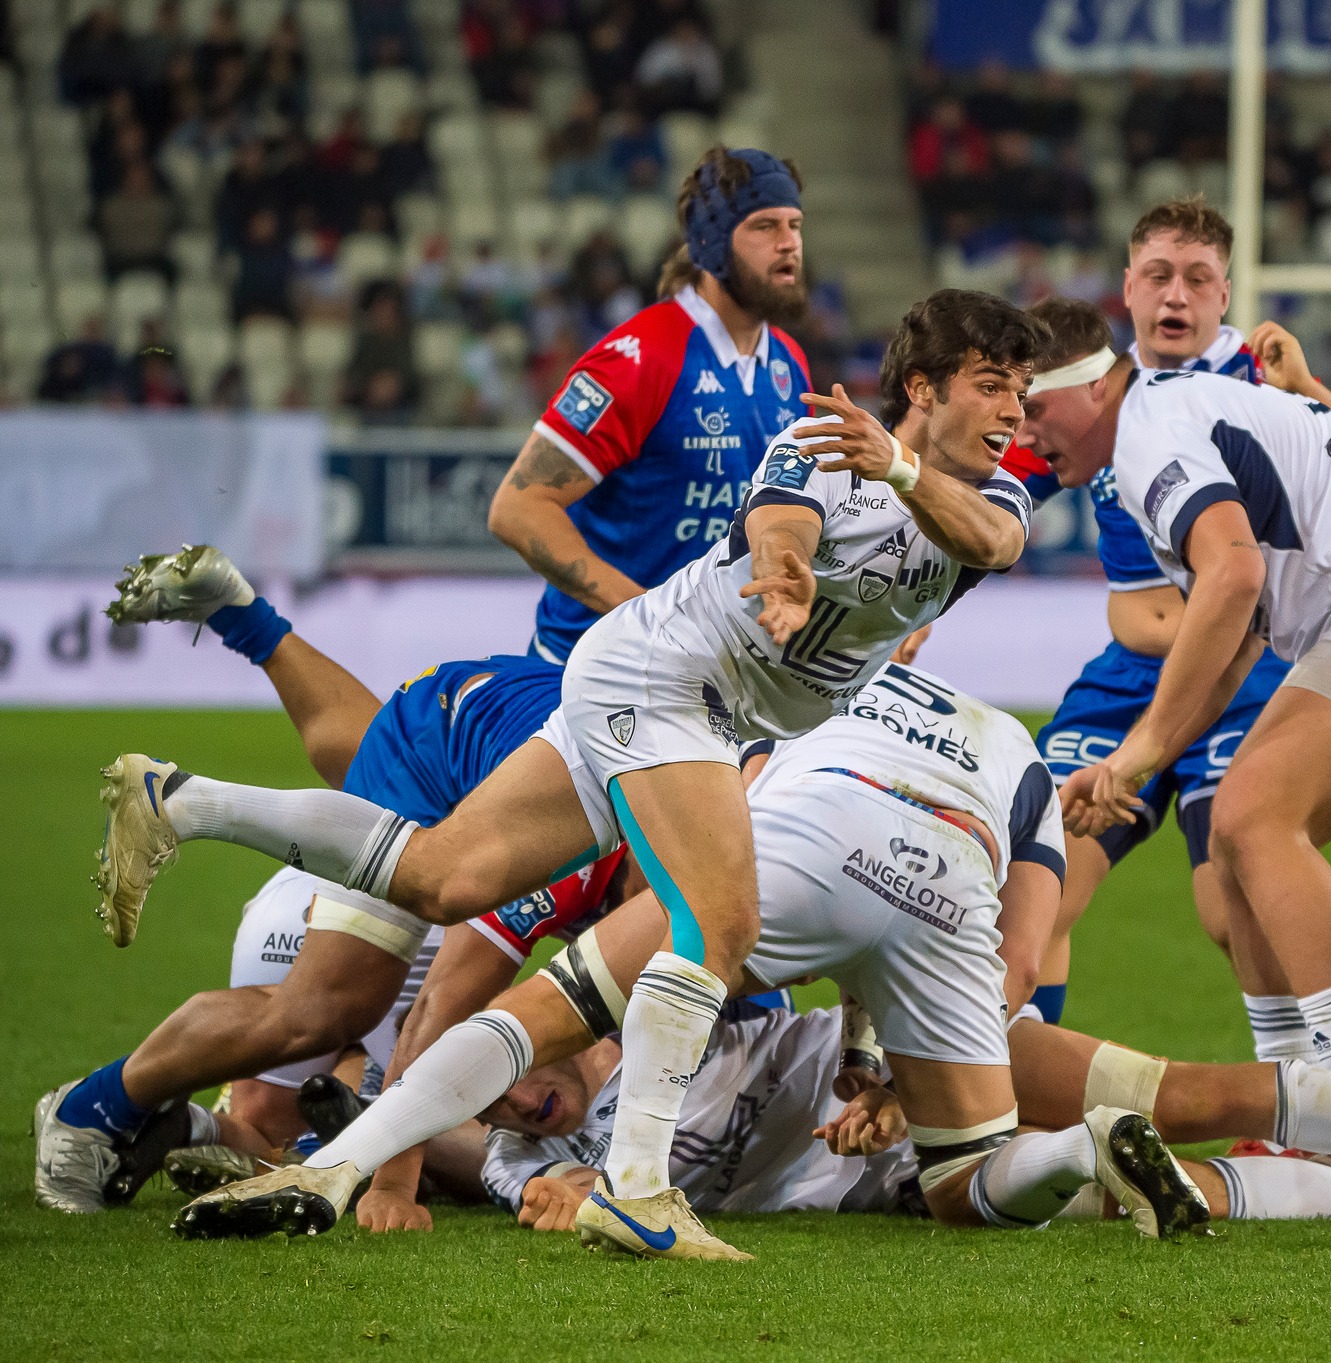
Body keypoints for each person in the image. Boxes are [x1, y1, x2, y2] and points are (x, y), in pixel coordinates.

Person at [96, 291, 1044, 1260]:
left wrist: (897, 465)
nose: (1014, 409)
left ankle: (184, 801)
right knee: (720, 927)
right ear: (921, 388)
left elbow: (994, 542)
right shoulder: (814, 441)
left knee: (441, 877)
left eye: (1020, 389)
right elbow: (780, 523)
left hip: (655, 685)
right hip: (672, 684)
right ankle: (636, 1188)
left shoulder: (987, 493)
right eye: (991, 385)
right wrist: (785, 570)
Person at [171, 663, 1211, 1245]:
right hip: (892, 869)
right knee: (458, 911)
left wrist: (872, 1059)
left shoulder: (708, 762)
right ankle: (1106, 1144)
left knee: (555, 988)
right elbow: (1019, 959)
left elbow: (465, 991)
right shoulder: (980, 738)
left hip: (749, 830)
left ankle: (350, 1141)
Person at [1018, 300, 1331, 1106]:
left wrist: (1137, 755)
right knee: (1235, 846)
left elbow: (1236, 576)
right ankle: (1303, 1101)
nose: (1024, 434)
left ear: (1093, 387)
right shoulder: (1162, 415)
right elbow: (1241, 630)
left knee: (1251, 818)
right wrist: (1134, 762)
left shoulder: (1149, 433)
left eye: (1034, 408)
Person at [36, 547, 622, 1215]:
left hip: (504, 711)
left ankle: (248, 625)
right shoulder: (576, 858)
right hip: (443, 746)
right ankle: (86, 1111)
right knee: (323, 1011)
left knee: (377, 761)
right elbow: (442, 1007)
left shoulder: (698, 833)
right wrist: (397, 1183)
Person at [1004, 199, 1331, 1098]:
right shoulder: (1080, 391)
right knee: (1039, 875)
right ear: (1127, 288)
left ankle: (1314, 1098)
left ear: (1226, 294)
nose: (1176, 296)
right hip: (1131, 680)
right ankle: (1014, 1094)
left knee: (1232, 903)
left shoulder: (1252, 384)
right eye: (1158, 275)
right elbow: (990, 490)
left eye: (1198, 279)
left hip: (1251, 666)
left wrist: (1305, 387)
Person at [480, 1004, 1331, 1232]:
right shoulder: (509, 1143)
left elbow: (830, 931)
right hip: (865, 1178)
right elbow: (486, 1163)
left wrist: (875, 1067)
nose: (525, 1103)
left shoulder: (651, 979)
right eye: (500, 1109)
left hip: (924, 1043)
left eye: (517, 1076)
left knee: (1178, 1092)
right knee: (1134, 1195)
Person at [489, 147, 813, 664]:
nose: (789, 242)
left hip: (712, 675)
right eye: (764, 225)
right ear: (709, 244)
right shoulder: (643, 357)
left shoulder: (789, 363)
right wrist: (646, 619)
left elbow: (789, 513)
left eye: (795, 224)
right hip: (589, 671)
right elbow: (518, 508)